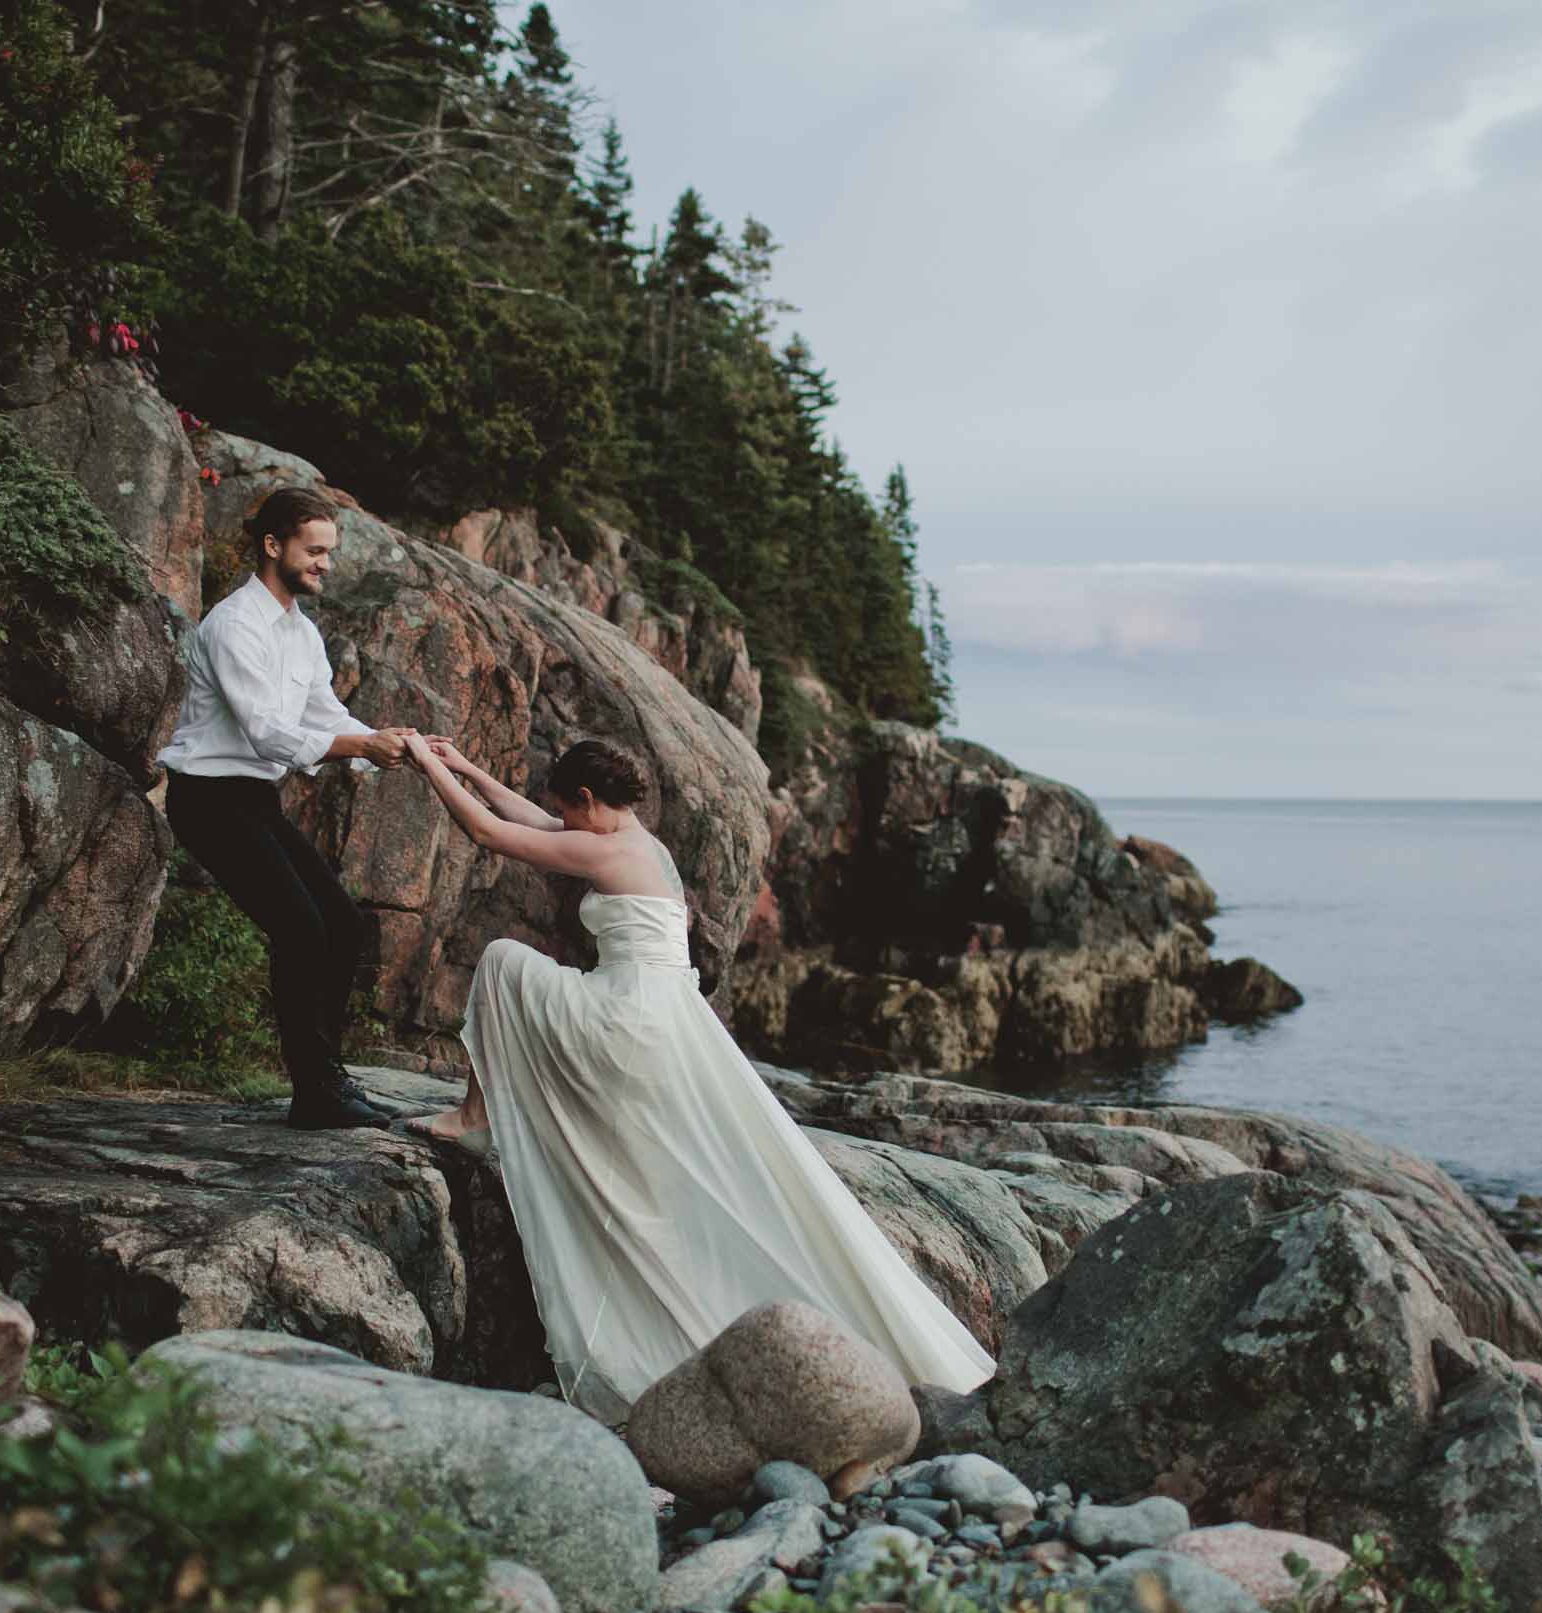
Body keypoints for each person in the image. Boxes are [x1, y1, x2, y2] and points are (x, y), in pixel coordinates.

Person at [403, 731, 996, 1422]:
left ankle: (476, 1116)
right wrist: (465, 761)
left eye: (568, 807)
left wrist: (423, 765)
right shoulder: (635, 840)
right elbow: (532, 822)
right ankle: (484, 1117)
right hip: (660, 1019)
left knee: (503, 960)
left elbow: (488, 831)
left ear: (590, 801)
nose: (560, 819)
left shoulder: (603, 846)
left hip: (623, 1019)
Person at [155, 487, 419, 1130]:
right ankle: (314, 1090)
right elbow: (265, 731)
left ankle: (325, 1076)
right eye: (315, 550)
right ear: (273, 545)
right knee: (301, 927)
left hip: (252, 799)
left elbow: (324, 716)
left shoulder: (301, 634)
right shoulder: (232, 624)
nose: (326, 563)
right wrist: (360, 744)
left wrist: (394, 745)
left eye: (330, 551)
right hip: (208, 798)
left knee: (344, 925)